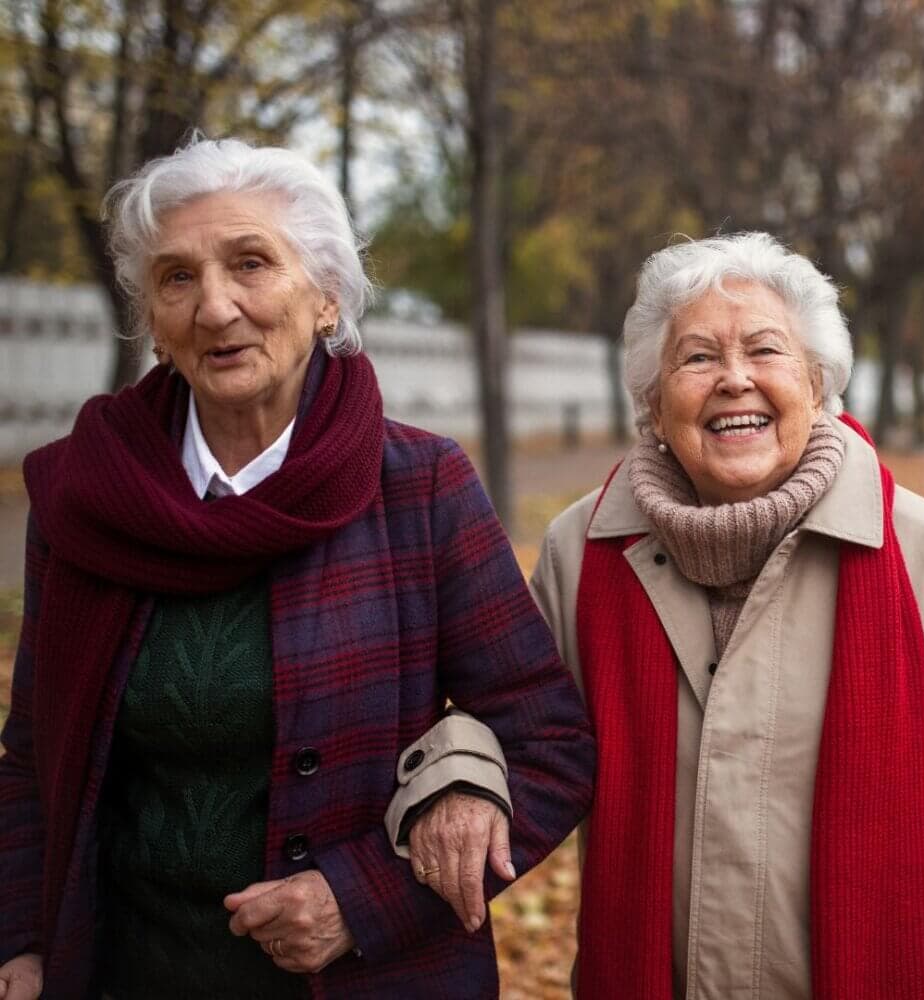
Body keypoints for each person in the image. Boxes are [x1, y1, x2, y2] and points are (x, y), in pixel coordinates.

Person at [0, 136, 595, 1000]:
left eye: (251, 264)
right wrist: (19, 941)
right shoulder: (83, 494)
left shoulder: (419, 485)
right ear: (154, 324)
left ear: (326, 298)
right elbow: (30, 761)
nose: (215, 308)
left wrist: (363, 900)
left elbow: (552, 743)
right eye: (176, 278)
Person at [397, 233, 924, 999]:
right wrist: (461, 780)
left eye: (766, 350)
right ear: (652, 400)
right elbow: (518, 725)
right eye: (698, 357)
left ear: (818, 382)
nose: (734, 380)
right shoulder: (581, 553)